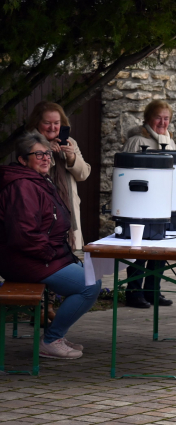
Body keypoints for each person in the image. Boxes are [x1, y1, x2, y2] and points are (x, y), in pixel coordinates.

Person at [0, 132, 102, 360]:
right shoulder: (23, 186)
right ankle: (51, 340)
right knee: (90, 285)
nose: (46, 158)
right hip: (26, 261)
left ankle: (55, 336)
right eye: (38, 154)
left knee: (91, 277)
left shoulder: (36, 180)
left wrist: (57, 254)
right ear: (23, 160)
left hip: (40, 257)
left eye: (47, 153)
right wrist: (51, 254)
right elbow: (23, 235)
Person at [121, 99, 176, 308]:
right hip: (138, 204)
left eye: (166, 118)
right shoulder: (136, 141)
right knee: (139, 249)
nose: (162, 122)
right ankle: (134, 292)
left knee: (159, 248)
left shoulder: (169, 140)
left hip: (161, 205)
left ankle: (153, 291)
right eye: (158, 118)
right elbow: (124, 174)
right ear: (147, 119)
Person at [26, 102, 91, 251]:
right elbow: (34, 176)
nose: (52, 127)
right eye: (47, 123)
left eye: (56, 123)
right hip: (43, 211)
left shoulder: (70, 142)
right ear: (37, 123)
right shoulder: (30, 144)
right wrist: (46, 151)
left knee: (71, 254)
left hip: (69, 211)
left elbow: (84, 175)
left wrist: (71, 157)